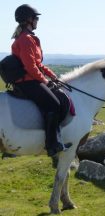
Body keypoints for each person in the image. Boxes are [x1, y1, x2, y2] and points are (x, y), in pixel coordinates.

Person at [11, 4, 72, 157]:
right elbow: (30, 67)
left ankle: (56, 139)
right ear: (28, 20)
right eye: (36, 18)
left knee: (58, 96)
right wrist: (45, 81)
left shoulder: (30, 38)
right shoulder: (25, 39)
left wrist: (53, 76)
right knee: (54, 103)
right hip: (26, 82)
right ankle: (51, 145)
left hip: (32, 79)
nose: (37, 20)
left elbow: (38, 64)